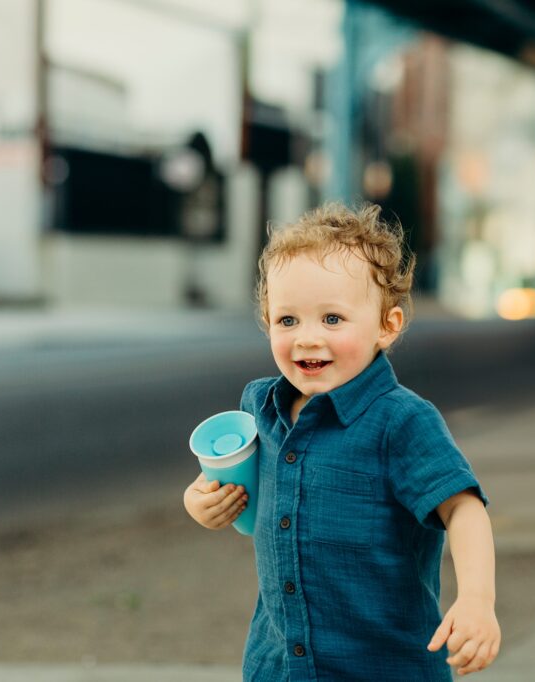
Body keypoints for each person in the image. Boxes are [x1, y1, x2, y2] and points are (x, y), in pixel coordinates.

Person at [183, 203, 500, 680]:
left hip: (383, 667)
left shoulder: (400, 420)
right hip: (279, 668)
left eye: (332, 319)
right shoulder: (260, 408)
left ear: (386, 326)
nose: (308, 338)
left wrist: (477, 599)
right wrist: (200, 501)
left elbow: (463, 508)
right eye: (288, 320)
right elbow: (229, 491)